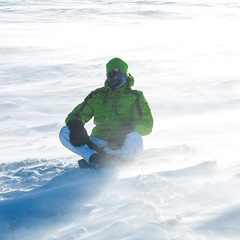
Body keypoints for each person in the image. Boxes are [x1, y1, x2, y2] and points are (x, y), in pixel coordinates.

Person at [59, 57, 153, 168]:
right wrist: (77, 127)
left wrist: (125, 129)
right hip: (98, 143)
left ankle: (116, 161)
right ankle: (94, 158)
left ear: (126, 74)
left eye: (120, 72)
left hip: (121, 143)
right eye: (112, 73)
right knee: (65, 132)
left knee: (136, 138)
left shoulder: (135, 96)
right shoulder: (97, 95)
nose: (116, 75)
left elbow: (147, 124)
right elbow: (76, 115)